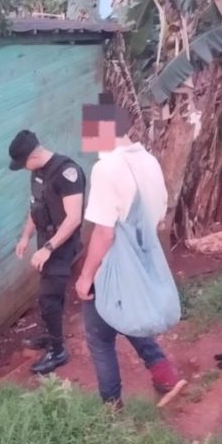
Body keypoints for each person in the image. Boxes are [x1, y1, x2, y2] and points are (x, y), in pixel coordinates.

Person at [75, 93, 186, 408]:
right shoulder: (147, 161)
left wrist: (86, 277)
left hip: (113, 265)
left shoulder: (107, 168)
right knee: (125, 315)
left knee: (99, 337)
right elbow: (160, 212)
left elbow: (103, 233)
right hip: (143, 256)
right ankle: (165, 374)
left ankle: (112, 408)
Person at [9, 130, 85, 375]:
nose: (23, 169)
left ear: (33, 156)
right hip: (45, 242)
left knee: (48, 298)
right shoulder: (37, 172)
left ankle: (58, 351)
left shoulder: (67, 173)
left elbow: (73, 218)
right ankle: (51, 335)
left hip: (61, 247)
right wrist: (25, 237)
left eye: (23, 164)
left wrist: (49, 249)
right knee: (49, 296)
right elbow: (36, 207)